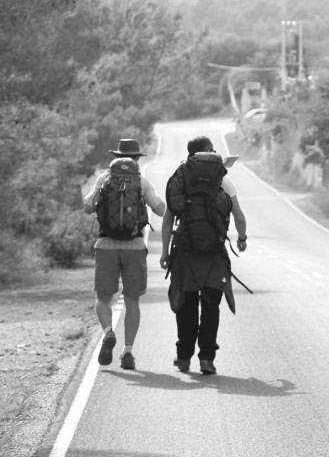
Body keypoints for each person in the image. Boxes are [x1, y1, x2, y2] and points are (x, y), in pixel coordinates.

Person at [159, 136, 247, 375]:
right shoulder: (223, 179)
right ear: (209, 152)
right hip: (214, 255)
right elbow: (239, 216)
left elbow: (168, 219)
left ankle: (184, 357)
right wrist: (241, 238)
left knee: (186, 306)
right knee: (211, 307)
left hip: (186, 253)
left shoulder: (182, 177)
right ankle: (207, 359)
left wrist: (165, 251)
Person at [83, 139, 166, 370]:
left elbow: (88, 205)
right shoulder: (141, 181)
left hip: (106, 245)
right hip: (135, 246)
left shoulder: (104, 178)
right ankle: (128, 352)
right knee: (132, 300)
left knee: (102, 298)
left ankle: (109, 331)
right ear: (137, 159)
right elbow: (160, 209)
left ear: (116, 157)